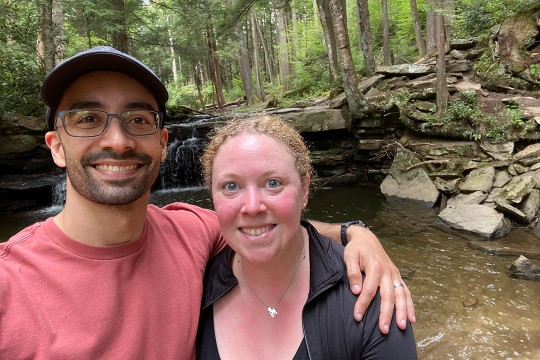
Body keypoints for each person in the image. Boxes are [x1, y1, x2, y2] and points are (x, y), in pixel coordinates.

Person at [0, 46, 413, 359]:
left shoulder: (189, 232)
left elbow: (265, 224)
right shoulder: (9, 285)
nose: (117, 140)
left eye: (138, 119)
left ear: (163, 145)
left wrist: (356, 233)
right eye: (87, 119)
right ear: (55, 146)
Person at [196, 116, 417, 359]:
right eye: (231, 186)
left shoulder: (370, 295)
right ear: (212, 197)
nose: (251, 207)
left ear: (305, 190)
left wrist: (358, 233)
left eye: (273, 183)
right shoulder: (194, 284)